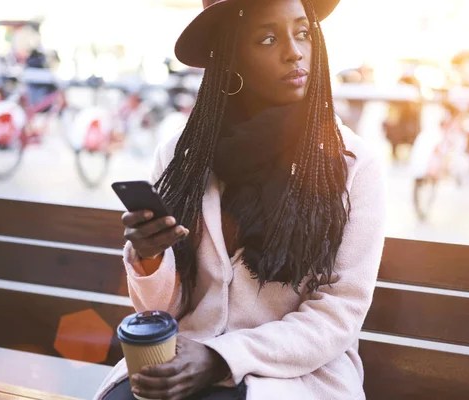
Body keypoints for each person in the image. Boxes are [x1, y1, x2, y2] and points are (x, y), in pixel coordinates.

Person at [94, 0, 386, 399]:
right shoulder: (181, 156)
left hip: (292, 376)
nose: (294, 52)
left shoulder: (351, 164)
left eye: (303, 33)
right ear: (231, 58)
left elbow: (338, 315)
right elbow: (163, 309)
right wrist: (149, 258)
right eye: (268, 38)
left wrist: (220, 357)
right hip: (181, 360)